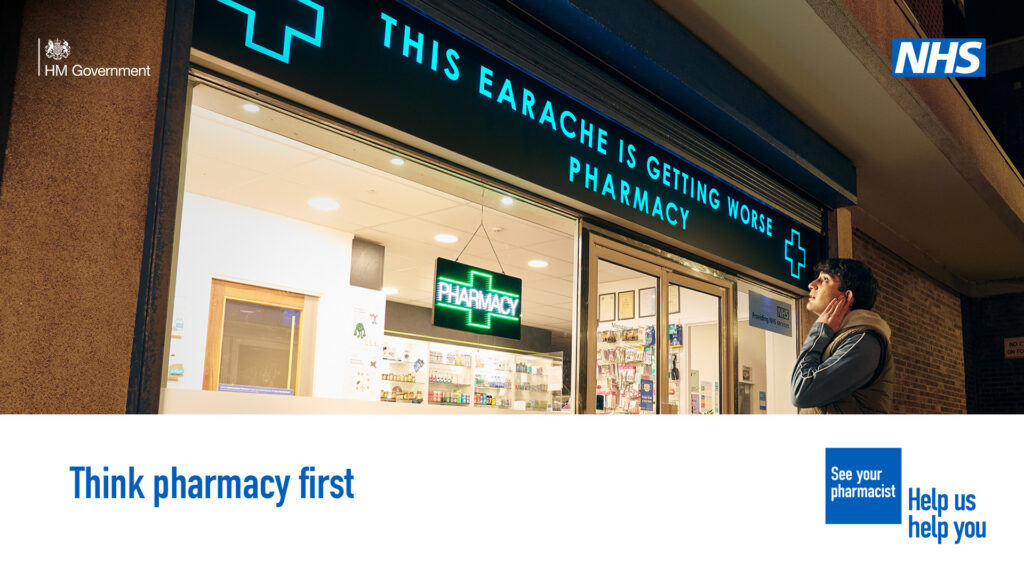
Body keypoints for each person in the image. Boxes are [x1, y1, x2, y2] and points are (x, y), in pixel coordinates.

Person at [790, 258, 894, 413]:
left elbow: (802, 392)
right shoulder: (842, 338)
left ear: (847, 297)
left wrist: (819, 332)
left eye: (825, 279)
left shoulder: (864, 342)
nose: (812, 284)